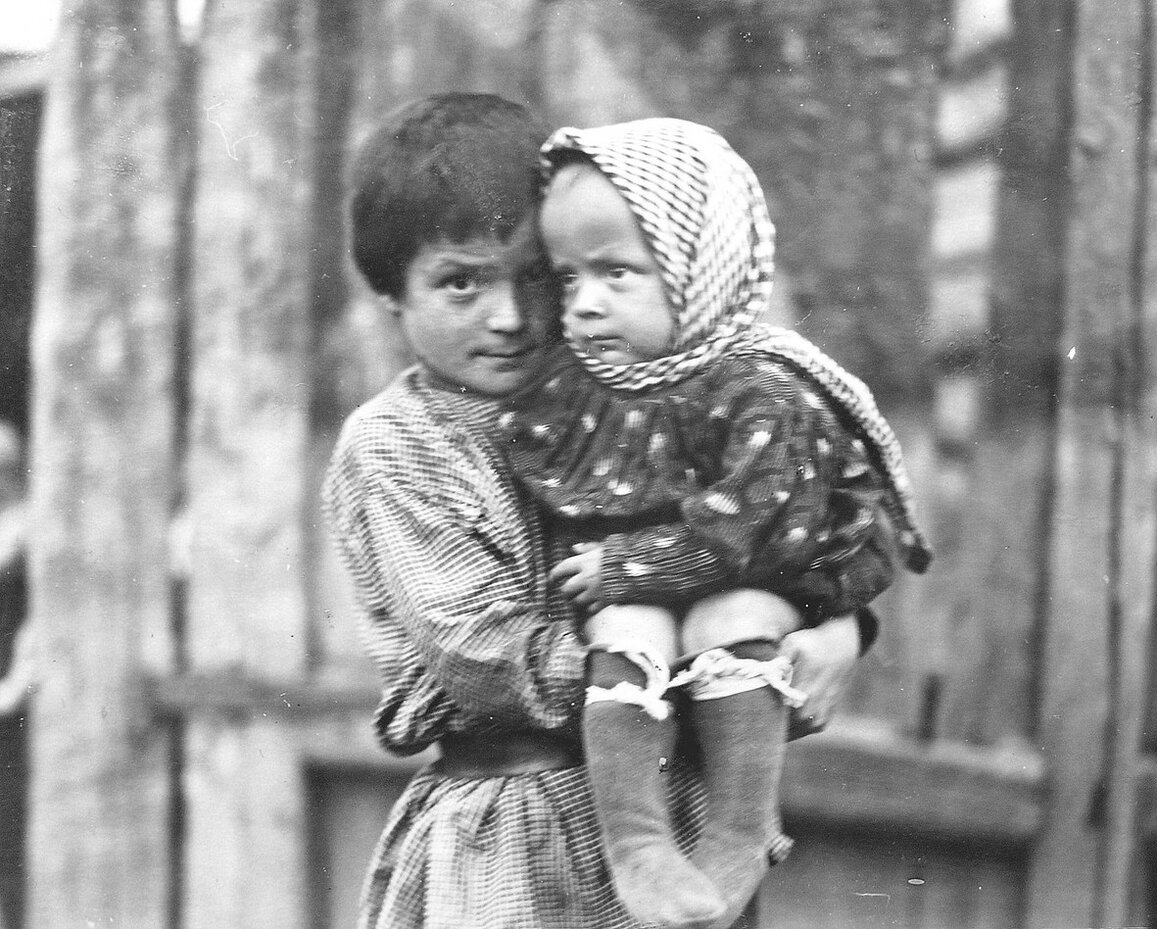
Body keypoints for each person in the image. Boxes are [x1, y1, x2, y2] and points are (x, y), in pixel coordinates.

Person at [324, 92, 888, 929]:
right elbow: (482, 656)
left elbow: (759, 537)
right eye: (460, 282)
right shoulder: (400, 442)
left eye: (536, 277)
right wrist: (711, 661)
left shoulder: (635, 403)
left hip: (683, 818)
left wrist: (834, 627)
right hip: (513, 823)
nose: (511, 318)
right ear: (391, 296)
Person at [496, 118, 932, 928]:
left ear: (700, 268)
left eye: (617, 273)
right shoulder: (590, 388)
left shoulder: (763, 389)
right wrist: (625, 580)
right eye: (567, 277)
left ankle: (740, 827)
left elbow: (747, 531)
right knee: (622, 626)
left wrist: (627, 566)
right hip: (664, 580)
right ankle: (636, 839)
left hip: (769, 567)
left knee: (728, 619)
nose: (584, 303)